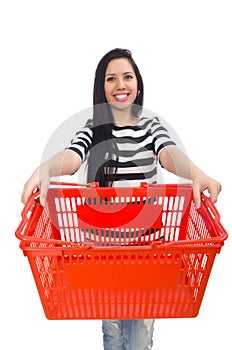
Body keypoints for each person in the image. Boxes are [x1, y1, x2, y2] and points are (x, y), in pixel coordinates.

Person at [21, 48, 222, 350]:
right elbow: (73, 158)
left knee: (140, 334)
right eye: (111, 78)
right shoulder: (93, 129)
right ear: (101, 88)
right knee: (112, 330)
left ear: (137, 84)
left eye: (127, 77)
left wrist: (198, 174)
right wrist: (44, 169)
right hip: (104, 253)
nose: (120, 85)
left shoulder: (151, 127)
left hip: (147, 251)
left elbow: (168, 154)